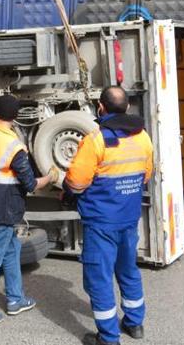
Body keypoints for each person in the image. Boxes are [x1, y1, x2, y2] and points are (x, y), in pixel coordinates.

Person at [62, 87, 154, 345]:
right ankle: (135, 324)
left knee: (99, 277)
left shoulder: (96, 140)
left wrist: (69, 192)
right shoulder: (142, 137)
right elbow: (146, 174)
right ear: (126, 107)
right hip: (128, 217)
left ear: (101, 107)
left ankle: (109, 337)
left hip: (101, 220)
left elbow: (77, 182)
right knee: (128, 270)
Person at [0, 94, 57, 326]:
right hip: (2, 210)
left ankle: (15, 299)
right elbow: (31, 185)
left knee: (12, 249)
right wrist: (51, 176)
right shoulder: (14, 146)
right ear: (15, 117)